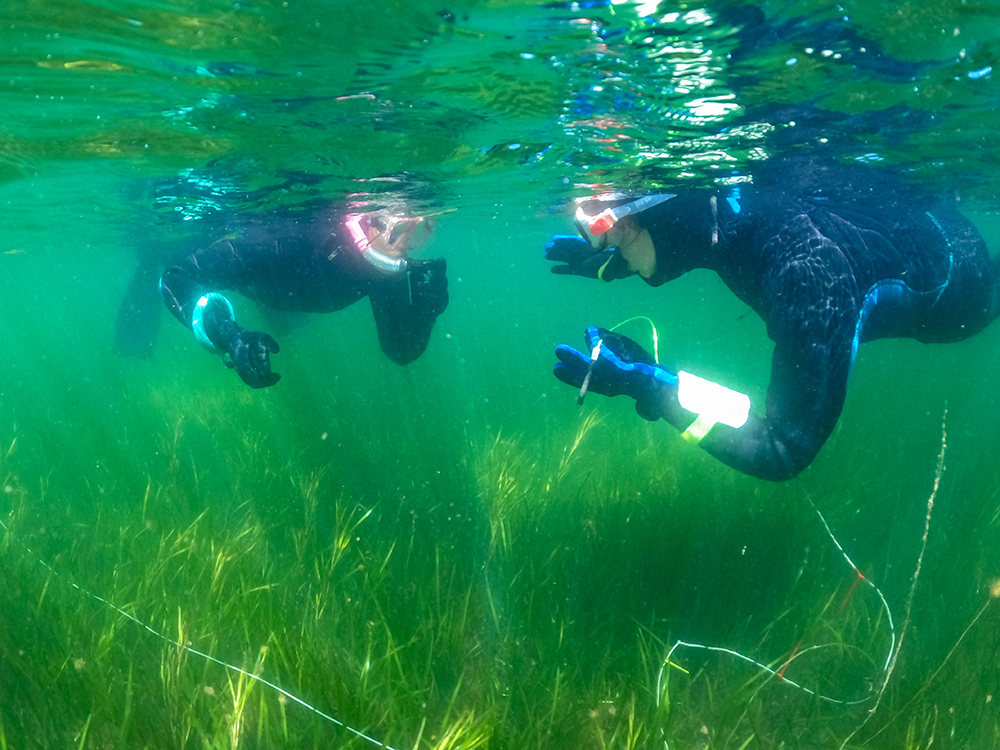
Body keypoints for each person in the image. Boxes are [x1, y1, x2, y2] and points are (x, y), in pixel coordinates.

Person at [546, 164, 999, 481]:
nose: (604, 242)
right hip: (921, 222)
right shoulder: (723, 210)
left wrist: (653, 386)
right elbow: (688, 235)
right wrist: (612, 264)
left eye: (611, 232)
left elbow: (783, 448)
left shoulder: (805, 273)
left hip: (961, 292)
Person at [157, 205, 448, 388]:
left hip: (284, 290)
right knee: (165, 249)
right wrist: (229, 335)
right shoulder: (283, 245)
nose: (407, 245)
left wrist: (425, 315)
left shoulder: (387, 262)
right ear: (369, 219)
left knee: (289, 322)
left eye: (423, 230)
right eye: (401, 229)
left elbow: (399, 350)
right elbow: (175, 278)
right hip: (258, 266)